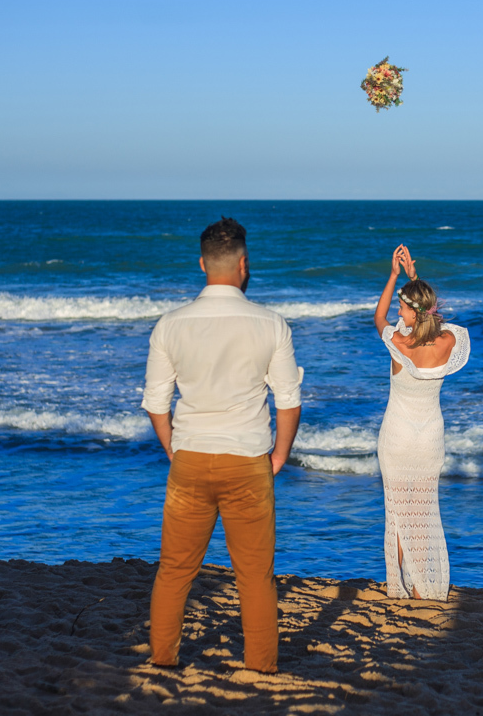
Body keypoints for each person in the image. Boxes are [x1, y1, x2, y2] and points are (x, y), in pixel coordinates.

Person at [140, 217, 302, 673]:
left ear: (202, 263)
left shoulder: (170, 325)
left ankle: (164, 660)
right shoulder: (271, 324)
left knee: (175, 569)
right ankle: (262, 668)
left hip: (190, 458)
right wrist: (280, 455)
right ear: (244, 264)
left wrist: (175, 450)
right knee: (254, 576)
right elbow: (288, 402)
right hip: (249, 460)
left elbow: (156, 403)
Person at [372, 244, 470, 601]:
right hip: (429, 438)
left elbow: (378, 317)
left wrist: (395, 276)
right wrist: (416, 282)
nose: (398, 311)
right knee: (423, 510)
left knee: (397, 512)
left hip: (397, 437)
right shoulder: (446, 342)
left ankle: (401, 585)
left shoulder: (398, 342)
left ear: (412, 313)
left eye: (403, 306)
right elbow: (440, 321)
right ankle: (420, 584)